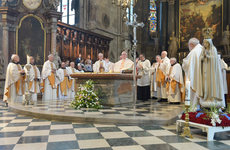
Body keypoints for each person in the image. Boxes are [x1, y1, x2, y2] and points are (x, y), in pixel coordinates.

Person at [197, 39, 225, 108]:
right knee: (205, 85)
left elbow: (215, 59)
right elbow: (200, 58)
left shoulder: (213, 49)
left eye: (206, 43)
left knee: (211, 84)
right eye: (204, 43)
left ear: (209, 43)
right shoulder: (203, 49)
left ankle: (212, 97)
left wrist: (208, 56)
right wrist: (203, 57)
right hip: (205, 71)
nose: (204, 44)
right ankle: (206, 97)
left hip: (212, 72)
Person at [182, 38, 203, 111]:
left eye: (189, 45)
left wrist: (184, 61)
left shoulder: (193, 52)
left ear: (191, 44)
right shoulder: (202, 49)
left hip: (194, 78)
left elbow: (187, 65)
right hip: (202, 77)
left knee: (193, 96)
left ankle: (193, 109)